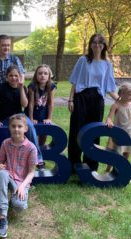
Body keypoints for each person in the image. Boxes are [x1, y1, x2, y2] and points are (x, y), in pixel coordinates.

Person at [68, 33, 118, 171]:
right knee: (76, 131)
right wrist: (71, 99)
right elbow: (75, 81)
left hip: (97, 99)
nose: (97, 45)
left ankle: (90, 165)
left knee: (93, 132)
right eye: (94, 42)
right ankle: (73, 165)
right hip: (81, 97)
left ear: (104, 45)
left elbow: (110, 87)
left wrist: (122, 101)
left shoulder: (107, 64)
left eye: (100, 42)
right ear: (90, 44)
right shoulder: (83, 60)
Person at [0, 114, 37, 238]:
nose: (16, 129)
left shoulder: (31, 148)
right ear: (9, 128)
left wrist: (22, 186)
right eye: (13, 126)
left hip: (21, 181)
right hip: (8, 176)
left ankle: (12, 198)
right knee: (2, 174)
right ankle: (2, 217)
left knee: (19, 205)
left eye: (20, 126)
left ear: (25, 129)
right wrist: (0, 166)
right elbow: (0, 162)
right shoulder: (5, 143)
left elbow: (31, 172)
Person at [0, 65, 44, 167]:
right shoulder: (2, 87)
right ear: (7, 77)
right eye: (11, 76)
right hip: (5, 118)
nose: (14, 78)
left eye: (16, 76)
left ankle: (38, 157)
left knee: (29, 126)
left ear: (19, 77)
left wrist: (21, 89)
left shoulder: (22, 88)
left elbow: (24, 104)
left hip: (18, 116)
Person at [26, 64, 56, 146]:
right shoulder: (32, 86)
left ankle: (41, 150)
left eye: (45, 73)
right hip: (33, 113)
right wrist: (31, 118)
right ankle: (32, 149)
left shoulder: (51, 86)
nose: (42, 75)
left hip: (44, 113)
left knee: (43, 134)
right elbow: (31, 103)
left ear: (49, 76)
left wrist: (49, 118)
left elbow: (50, 103)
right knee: (32, 133)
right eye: (40, 73)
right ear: (36, 75)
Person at [105, 82, 131, 173]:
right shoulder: (116, 105)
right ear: (121, 94)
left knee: (127, 153)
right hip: (118, 133)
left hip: (129, 133)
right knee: (114, 153)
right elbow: (109, 117)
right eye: (129, 94)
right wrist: (109, 121)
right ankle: (107, 170)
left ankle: (123, 171)